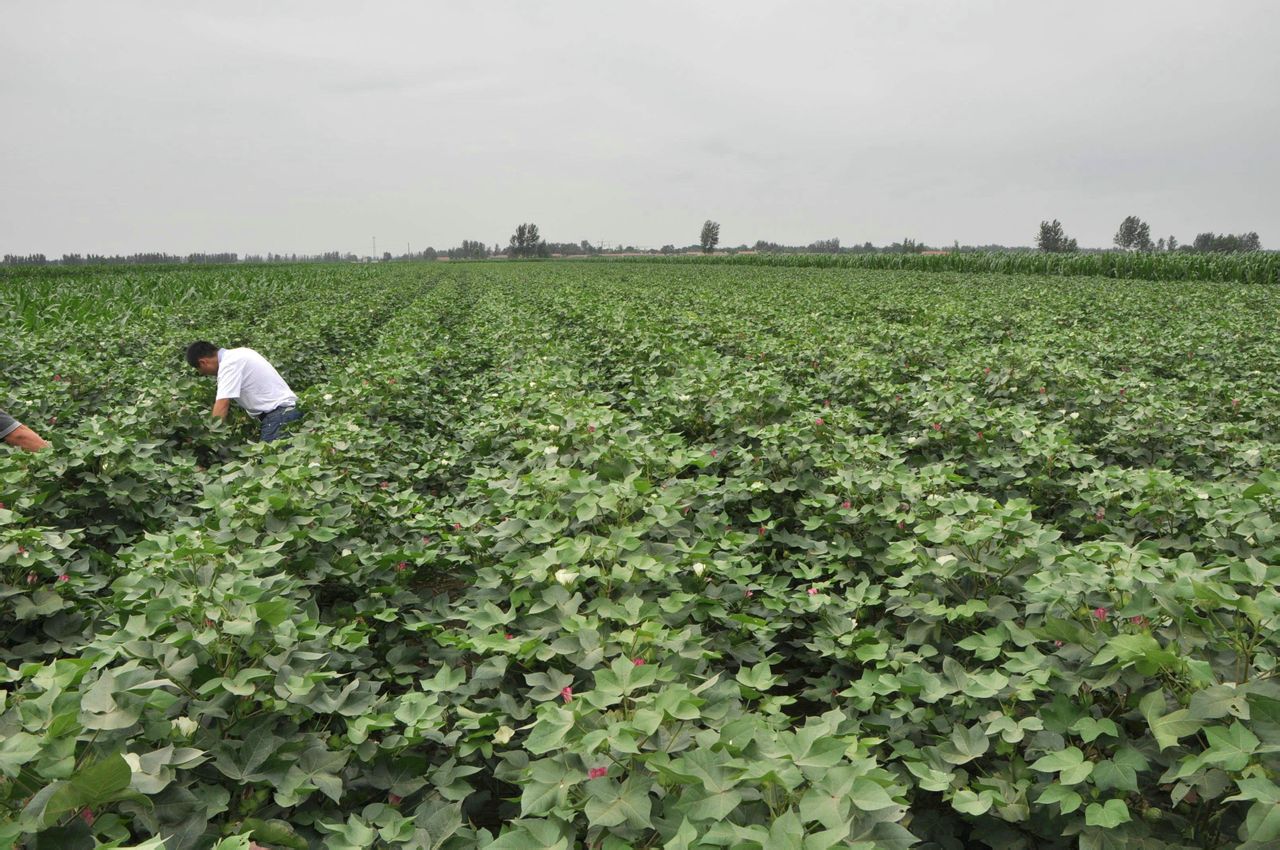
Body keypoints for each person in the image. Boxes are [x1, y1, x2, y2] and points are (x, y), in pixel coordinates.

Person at [185, 341, 302, 442]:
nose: (203, 374)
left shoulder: (229, 364)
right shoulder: (241, 352)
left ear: (203, 362)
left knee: (272, 463)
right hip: (288, 411)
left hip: (279, 416)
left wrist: (209, 435)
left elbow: (222, 403)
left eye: (200, 370)